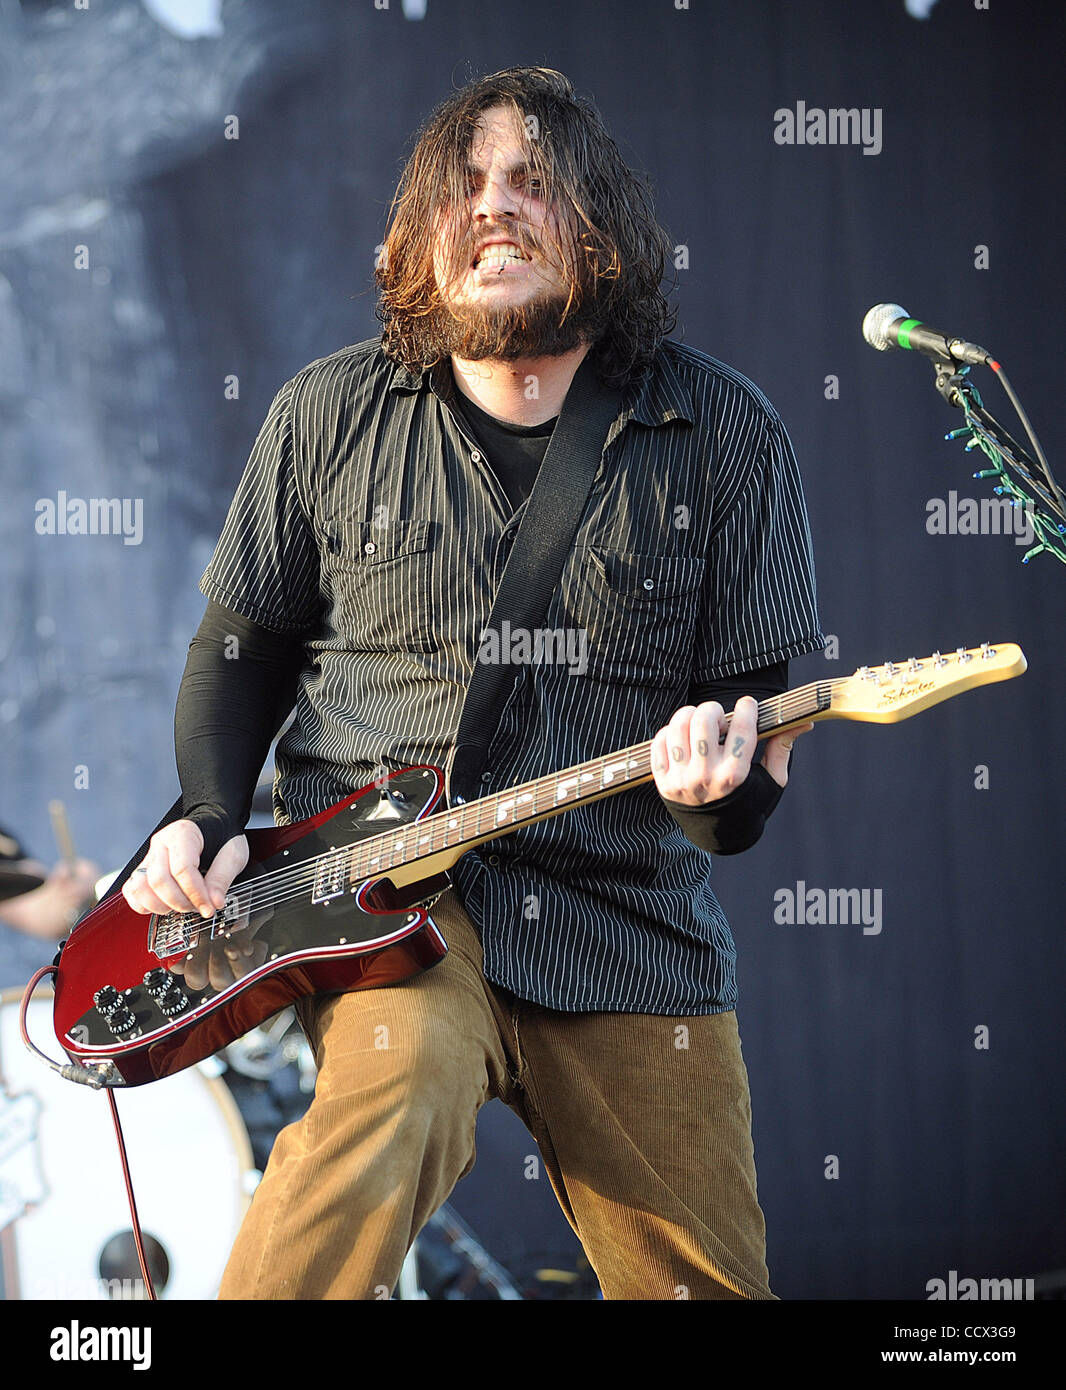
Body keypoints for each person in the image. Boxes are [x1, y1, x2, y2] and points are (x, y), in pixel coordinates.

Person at [121, 67, 824, 1300]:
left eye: (533, 184)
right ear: (420, 237)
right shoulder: (326, 414)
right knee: (385, 1104)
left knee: (707, 1282)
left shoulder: (727, 434)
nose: (492, 208)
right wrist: (209, 813)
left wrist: (713, 796)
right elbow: (241, 651)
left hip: (628, 928)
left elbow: (745, 772)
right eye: (464, 186)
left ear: (599, 228)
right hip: (385, 907)